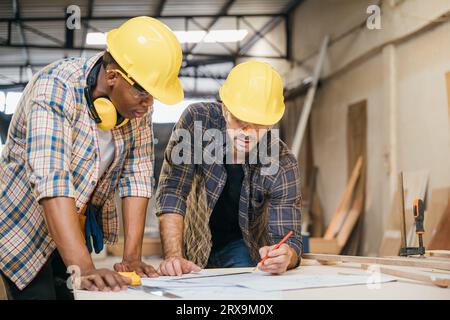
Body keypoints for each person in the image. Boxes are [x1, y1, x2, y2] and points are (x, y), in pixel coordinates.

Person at [0, 16, 184, 299]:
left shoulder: (136, 106)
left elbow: (137, 175)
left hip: (69, 227)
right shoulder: (55, 88)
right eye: (144, 94)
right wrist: (85, 267)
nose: (149, 105)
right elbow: (52, 181)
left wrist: (132, 258)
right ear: (112, 77)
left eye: (153, 97)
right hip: (23, 228)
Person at [156, 61, 302, 277]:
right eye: (240, 121)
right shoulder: (197, 121)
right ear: (225, 108)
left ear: (272, 123)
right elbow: (173, 191)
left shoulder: (282, 163)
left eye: (259, 125)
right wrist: (173, 256)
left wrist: (286, 256)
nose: (248, 132)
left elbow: (290, 239)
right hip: (192, 243)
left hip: (241, 248)